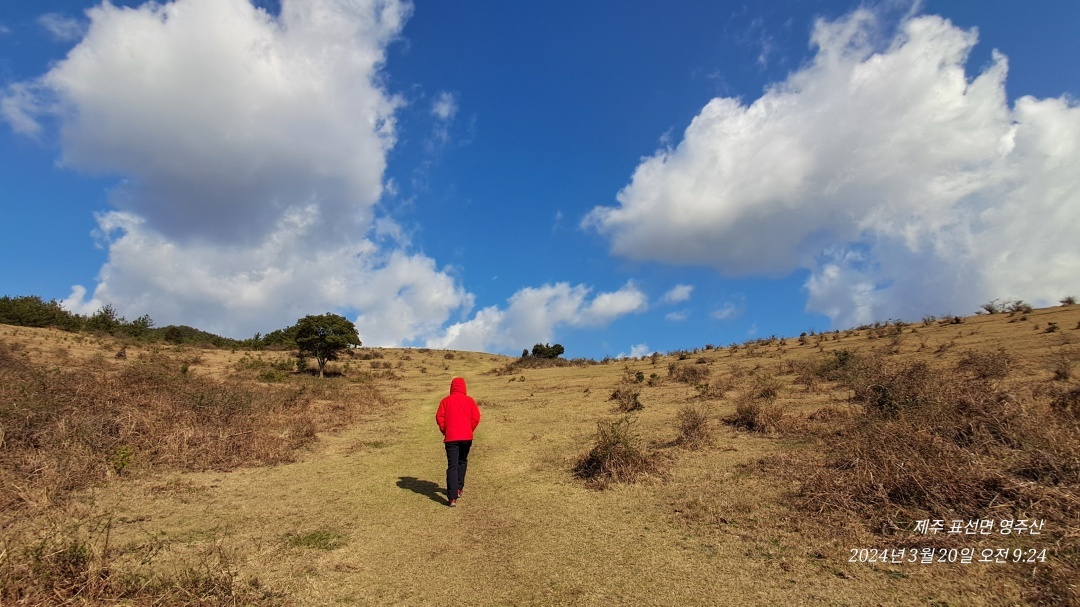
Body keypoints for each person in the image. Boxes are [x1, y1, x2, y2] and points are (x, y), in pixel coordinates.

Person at [435, 377, 481, 507]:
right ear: (464, 387)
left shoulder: (445, 401)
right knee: (462, 461)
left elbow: (440, 418)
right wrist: (469, 429)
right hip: (466, 437)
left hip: (451, 438)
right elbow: (476, 417)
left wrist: (445, 430)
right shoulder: (469, 401)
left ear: (452, 387)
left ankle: (452, 497)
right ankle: (459, 488)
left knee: (452, 465)